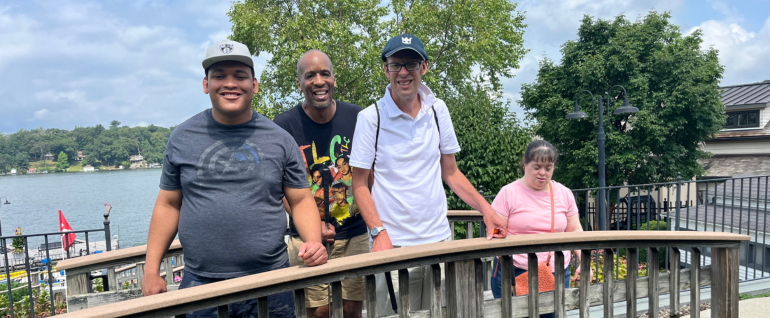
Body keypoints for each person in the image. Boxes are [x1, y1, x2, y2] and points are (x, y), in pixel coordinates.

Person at [141, 40, 328, 318]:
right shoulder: (181, 137)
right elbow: (169, 204)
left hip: (270, 281)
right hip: (200, 285)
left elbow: (300, 199)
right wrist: (151, 269)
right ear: (206, 84)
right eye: (219, 76)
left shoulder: (280, 139)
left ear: (254, 85)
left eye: (240, 76)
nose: (230, 84)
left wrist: (313, 243)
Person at [349, 34, 508, 314]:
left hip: (438, 242)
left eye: (411, 63)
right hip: (393, 246)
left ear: (424, 67)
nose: (403, 72)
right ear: (385, 70)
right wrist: (378, 231)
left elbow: (452, 173)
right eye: (395, 64)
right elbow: (359, 184)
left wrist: (487, 209)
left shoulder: (438, 110)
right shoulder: (370, 117)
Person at [274, 49, 367, 318]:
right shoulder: (284, 126)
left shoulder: (357, 118)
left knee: (353, 309)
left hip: (354, 232)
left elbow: (368, 175)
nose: (318, 81)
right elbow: (279, 189)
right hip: (306, 238)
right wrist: (312, 226)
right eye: (310, 75)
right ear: (300, 83)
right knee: (318, 311)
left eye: (325, 73)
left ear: (334, 79)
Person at [489, 140, 591, 318]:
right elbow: (495, 230)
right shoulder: (508, 193)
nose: (542, 173)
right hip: (514, 270)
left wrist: (584, 261)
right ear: (525, 163)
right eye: (537, 167)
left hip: (556, 269)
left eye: (548, 167)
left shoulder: (564, 193)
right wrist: (501, 236)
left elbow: (575, 231)